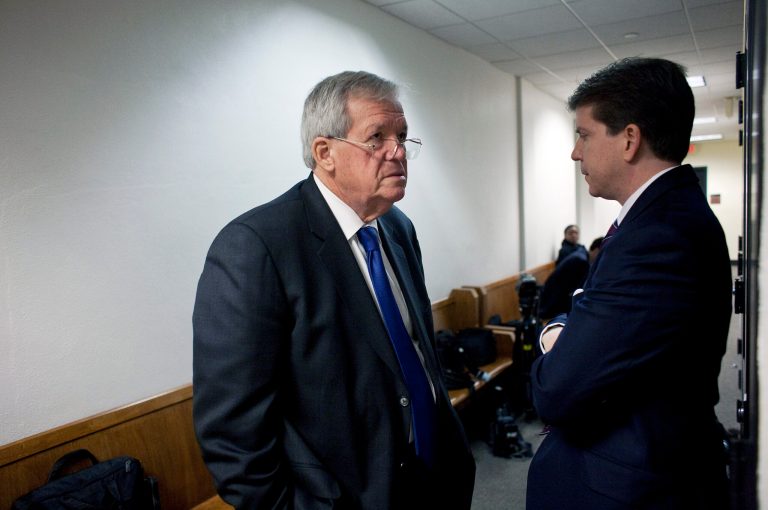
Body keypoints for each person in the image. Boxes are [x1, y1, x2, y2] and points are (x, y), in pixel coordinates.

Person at [192, 71, 475, 509]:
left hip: (432, 475)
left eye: (402, 136)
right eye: (376, 138)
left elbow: (414, 354)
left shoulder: (398, 229)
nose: (397, 152)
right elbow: (234, 431)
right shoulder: (257, 246)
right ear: (324, 152)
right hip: (342, 496)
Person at [526, 57, 732, 510]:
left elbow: (555, 392)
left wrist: (557, 332)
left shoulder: (658, 237)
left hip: (631, 489)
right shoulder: (657, 220)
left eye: (583, 134)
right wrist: (572, 327)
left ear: (630, 139)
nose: (575, 152)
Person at [538, 236, 603, 321]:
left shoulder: (581, 254)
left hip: (551, 300)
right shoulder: (581, 261)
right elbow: (575, 291)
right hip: (552, 305)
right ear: (597, 250)